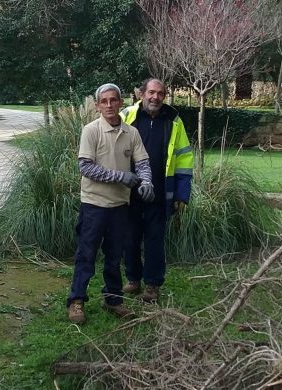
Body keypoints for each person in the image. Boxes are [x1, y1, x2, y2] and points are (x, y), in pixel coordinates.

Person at [67, 83, 154, 324]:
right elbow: (85, 166)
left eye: (113, 100)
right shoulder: (91, 131)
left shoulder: (131, 133)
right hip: (94, 204)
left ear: (120, 103)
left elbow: (143, 163)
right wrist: (120, 176)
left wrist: (147, 183)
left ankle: (113, 299)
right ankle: (76, 301)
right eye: (103, 101)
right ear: (97, 106)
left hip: (119, 206)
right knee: (86, 255)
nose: (109, 105)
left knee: (115, 256)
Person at [120, 78, 193, 303]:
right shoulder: (127, 116)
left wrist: (182, 194)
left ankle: (152, 285)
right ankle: (133, 279)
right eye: (151, 92)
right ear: (141, 94)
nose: (155, 97)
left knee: (154, 240)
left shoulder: (174, 121)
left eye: (160, 94)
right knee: (129, 237)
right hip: (128, 191)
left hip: (161, 192)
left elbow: (184, 158)